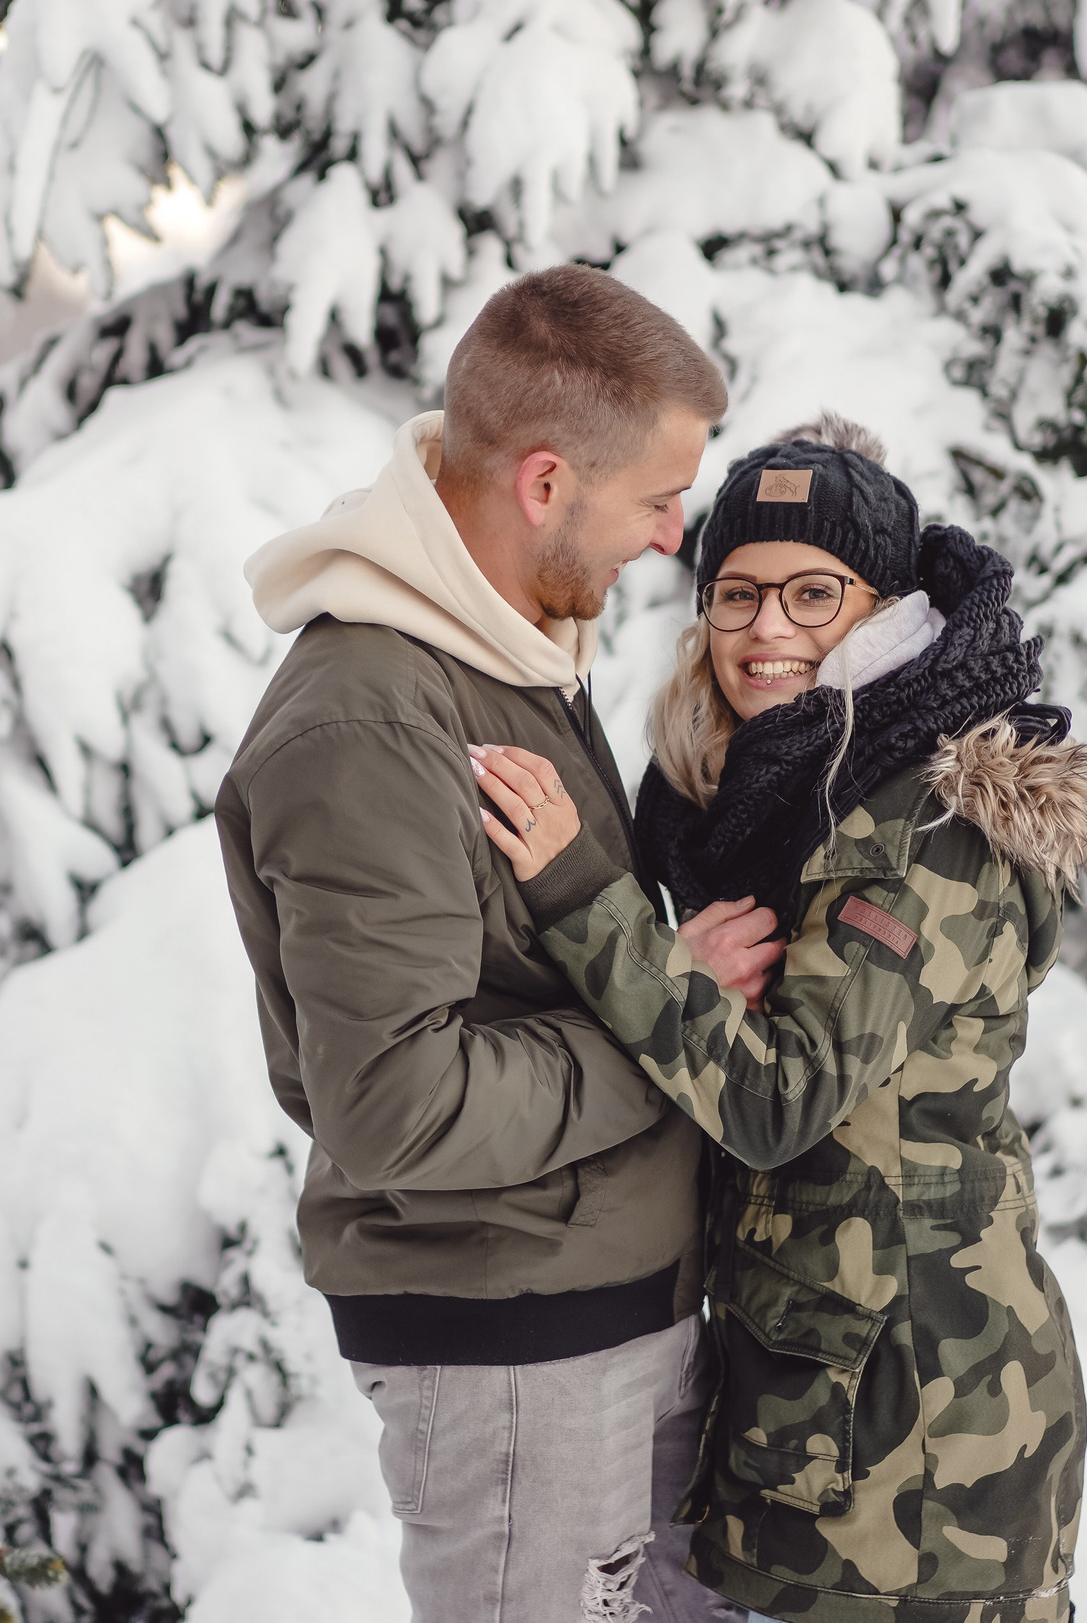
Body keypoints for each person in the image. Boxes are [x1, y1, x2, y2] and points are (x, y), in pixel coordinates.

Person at [470, 414, 1087, 1623]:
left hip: (923, 1446)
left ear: (888, 612)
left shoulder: (922, 826)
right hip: (823, 1396)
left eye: (812, 595)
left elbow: (777, 1099)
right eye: (736, 595)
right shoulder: (784, 793)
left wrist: (580, 901)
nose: (766, 631)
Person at [215, 264, 749, 1623]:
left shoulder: (505, 650)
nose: (674, 534)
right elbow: (395, 1104)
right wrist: (665, 1022)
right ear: (546, 482)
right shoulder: (374, 722)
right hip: (517, 1341)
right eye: (655, 499)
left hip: (600, 1302)